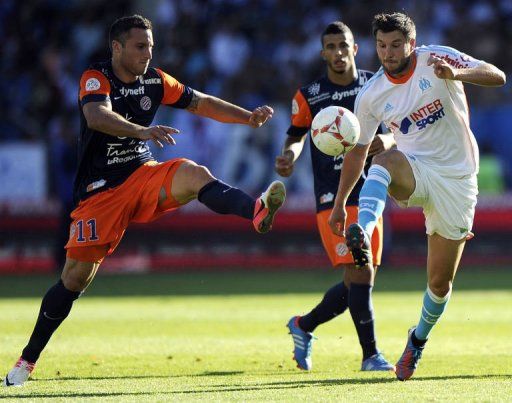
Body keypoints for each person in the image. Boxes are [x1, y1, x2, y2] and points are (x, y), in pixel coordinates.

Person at [3, 14, 286, 387]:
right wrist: (142, 130)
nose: (147, 54)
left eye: (150, 46)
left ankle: (256, 211)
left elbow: (200, 103)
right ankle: (27, 361)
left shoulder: (155, 80)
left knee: (194, 174)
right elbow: (97, 115)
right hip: (99, 192)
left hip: (141, 175)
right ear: (116, 47)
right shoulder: (96, 77)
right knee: (74, 280)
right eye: (139, 47)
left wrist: (247, 117)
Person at [328, 12, 506, 381]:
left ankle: (417, 339)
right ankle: (364, 227)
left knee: (440, 284)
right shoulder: (372, 94)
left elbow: (497, 75)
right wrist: (342, 202)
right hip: (414, 168)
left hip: (457, 179)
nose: (388, 53)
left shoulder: (436, 58)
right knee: (385, 159)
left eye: (395, 44)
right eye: (381, 45)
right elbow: (357, 152)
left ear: (412, 42)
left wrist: (457, 74)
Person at [275, 21, 395, 372]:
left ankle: (304, 325)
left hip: (371, 189)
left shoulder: (376, 84)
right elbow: (295, 135)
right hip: (333, 196)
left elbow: (398, 129)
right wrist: (289, 157)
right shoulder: (309, 95)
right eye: (331, 47)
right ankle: (371, 355)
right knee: (362, 274)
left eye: (343, 46)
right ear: (323, 52)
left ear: (355, 48)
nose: (338, 53)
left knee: (357, 278)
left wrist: (387, 141)